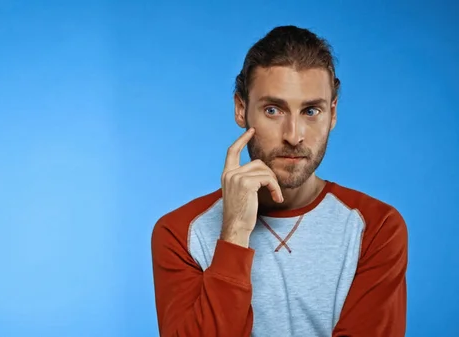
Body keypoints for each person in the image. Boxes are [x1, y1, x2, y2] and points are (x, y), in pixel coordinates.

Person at [150, 25, 408, 337]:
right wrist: (233, 235)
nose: (294, 136)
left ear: (333, 114)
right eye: (273, 110)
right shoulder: (180, 233)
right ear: (242, 109)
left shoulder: (376, 227)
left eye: (311, 110)